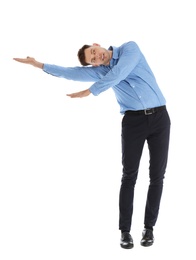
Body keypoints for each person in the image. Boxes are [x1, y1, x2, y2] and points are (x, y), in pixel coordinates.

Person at [13, 40, 171, 249]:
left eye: (94, 52)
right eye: (93, 60)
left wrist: (91, 91)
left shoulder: (130, 49)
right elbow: (70, 73)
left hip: (160, 118)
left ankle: (149, 229)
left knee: (157, 176)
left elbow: (121, 72)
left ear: (97, 45)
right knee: (129, 175)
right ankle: (125, 231)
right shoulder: (99, 72)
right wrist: (39, 65)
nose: (97, 57)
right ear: (93, 65)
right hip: (133, 122)